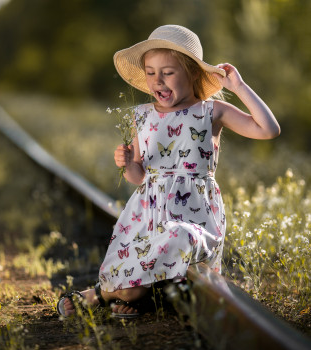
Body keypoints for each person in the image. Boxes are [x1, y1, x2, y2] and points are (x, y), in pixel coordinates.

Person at [57, 24, 280, 318]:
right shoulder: (143, 116)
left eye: (168, 72)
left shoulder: (211, 112)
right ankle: (137, 296)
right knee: (137, 277)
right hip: (148, 218)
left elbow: (269, 130)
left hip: (194, 221)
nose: (157, 81)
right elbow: (139, 179)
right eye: (150, 73)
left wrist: (238, 87)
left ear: (193, 73)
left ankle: (100, 294)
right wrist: (128, 164)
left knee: (179, 238)